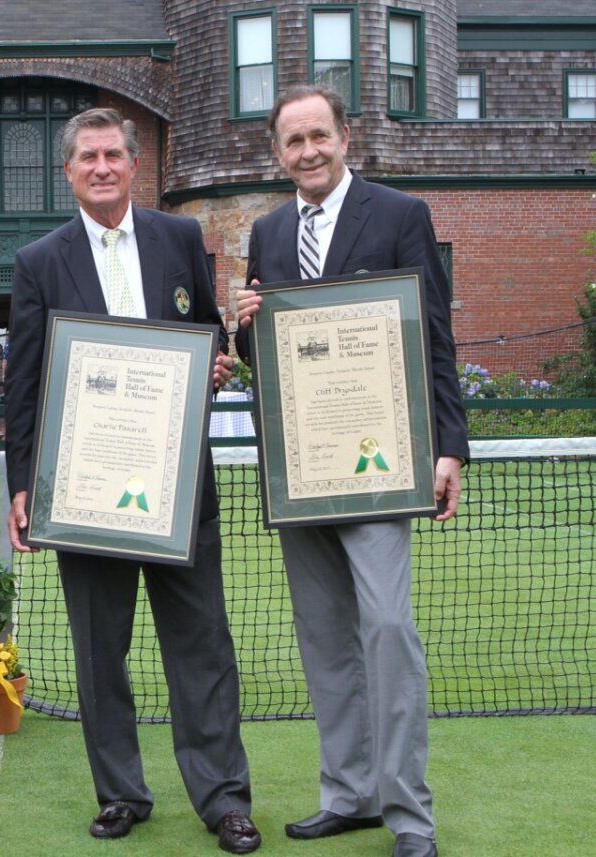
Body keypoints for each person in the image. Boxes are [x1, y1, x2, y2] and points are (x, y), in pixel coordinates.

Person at [5, 107, 261, 855]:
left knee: (203, 648)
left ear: (132, 162)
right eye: (88, 157)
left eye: (114, 153)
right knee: (98, 650)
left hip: (179, 489)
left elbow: (210, 330)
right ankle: (121, 793)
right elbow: (24, 387)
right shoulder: (38, 261)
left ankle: (224, 799)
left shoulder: (180, 238)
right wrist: (22, 481)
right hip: (81, 495)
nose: (102, 167)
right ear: (69, 171)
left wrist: (217, 360)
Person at [235, 85, 468, 857]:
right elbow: (265, 361)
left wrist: (449, 448)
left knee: (389, 630)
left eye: (319, 136)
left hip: (381, 465)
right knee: (325, 637)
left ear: (344, 137)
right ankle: (349, 792)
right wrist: (243, 331)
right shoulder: (267, 233)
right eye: (292, 141)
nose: (307, 151)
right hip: (299, 472)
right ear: (278, 152)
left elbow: (433, 335)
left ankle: (410, 816)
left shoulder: (401, 216)